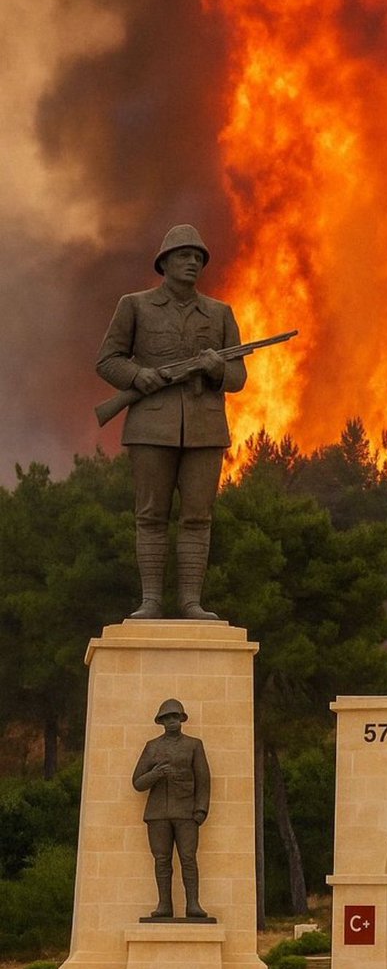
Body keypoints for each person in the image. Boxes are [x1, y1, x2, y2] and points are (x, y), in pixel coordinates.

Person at [96, 224, 246, 619]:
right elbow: (107, 361)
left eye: (198, 257)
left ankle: (191, 602)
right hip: (150, 426)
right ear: (164, 262)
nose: (193, 261)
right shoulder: (135, 306)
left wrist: (216, 368)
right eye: (183, 255)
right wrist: (138, 376)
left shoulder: (220, 313)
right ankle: (151, 601)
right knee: (150, 515)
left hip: (205, 429)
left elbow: (238, 378)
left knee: (198, 516)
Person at [132, 698, 211, 919]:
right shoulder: (152, 747)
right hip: (158, 813)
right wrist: (156, 774)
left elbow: (203, 779)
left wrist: (201, 809)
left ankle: (193, 904)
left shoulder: (194, 745)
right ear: (161, 721)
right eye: (167, 718)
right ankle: (164, 905)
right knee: (162, 860)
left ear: (182, 719)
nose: (172, 721)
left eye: (175, 717)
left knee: (188, 858)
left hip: (186, 812)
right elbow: (137, 782)